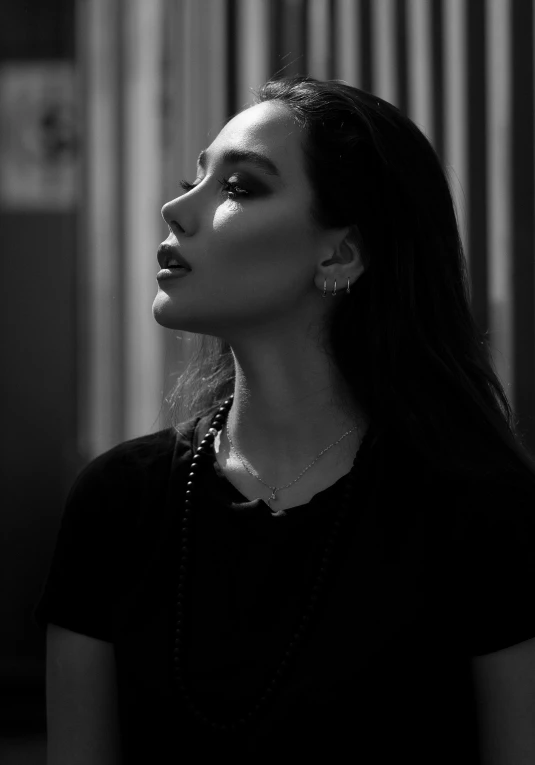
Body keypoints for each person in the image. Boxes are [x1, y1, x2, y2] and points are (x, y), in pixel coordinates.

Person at [34, 75, 535, 764]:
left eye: (238, 187)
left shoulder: (480, 511)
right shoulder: (116, 503)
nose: (175, 208)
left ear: (339, 253)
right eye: (195, 178)